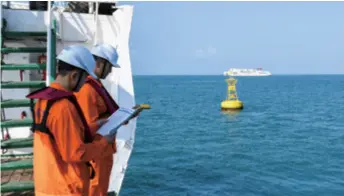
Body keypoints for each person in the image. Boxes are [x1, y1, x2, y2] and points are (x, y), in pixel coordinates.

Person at [26, 45, 116, 196]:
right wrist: (104, 142)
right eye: (84, 77)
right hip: (66, 188)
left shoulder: (44, 100)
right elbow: (75, 153)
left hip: (48, 184)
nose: (84, 84)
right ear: (74, 76)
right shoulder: (64, 107)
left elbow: (62, 134)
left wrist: (95, 126)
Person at [75, 44, 139, 196]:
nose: (110, 71)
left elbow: (103, 116)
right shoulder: (87, 89)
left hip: (102, 150)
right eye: (109, 66)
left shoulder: (95, 85)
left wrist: (126, 115)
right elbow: (88, 126)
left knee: (100, 188)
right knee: (95, 189)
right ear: (99, 63)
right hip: (97, 152)